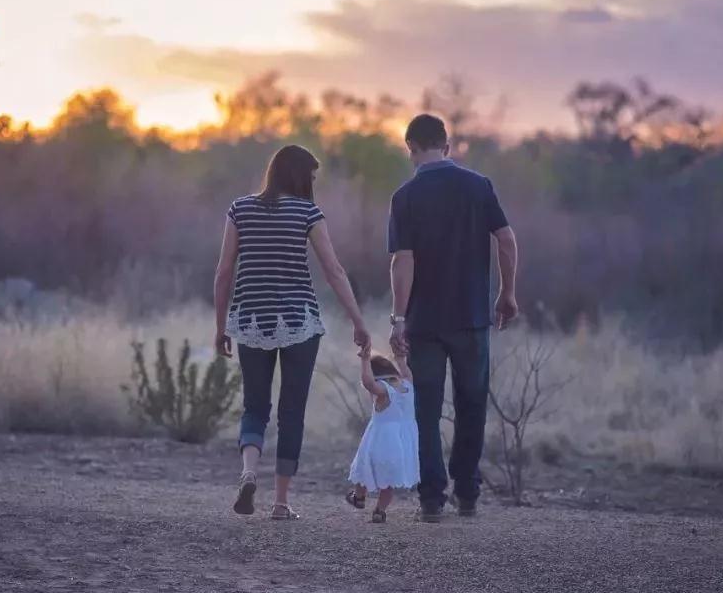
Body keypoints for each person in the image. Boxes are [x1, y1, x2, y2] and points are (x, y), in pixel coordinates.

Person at [213, 144, 370, 520]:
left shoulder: (241, 209)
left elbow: (223, 272)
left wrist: (221, 327)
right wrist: (358, 321)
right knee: (292, 412)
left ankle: (249, 472)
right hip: (299, 322)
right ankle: (281, 503)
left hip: (250, 321)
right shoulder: (308, 212)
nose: (313, 184)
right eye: (312, 177)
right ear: (300, 176)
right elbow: (333, 271)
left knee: (254, 406)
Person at [387, 114, 520, 522]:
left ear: (410, 148)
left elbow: (402, 261)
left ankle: (431, 499)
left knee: (425, 410)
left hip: (425, 322)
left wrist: (398, 319)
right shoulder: (478, 186)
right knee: (472, 404)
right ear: (447, 146)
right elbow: (506, 239)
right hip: (472, 317)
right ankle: (467, 493)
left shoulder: (405, 196)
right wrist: (507, 292)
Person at [345, 348, 420, 523]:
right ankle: (380, 510)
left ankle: (359, 497)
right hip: (402, 443)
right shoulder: (408, 385)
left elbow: (368, 382)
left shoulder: (383, 390)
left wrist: (364, 361)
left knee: (364, 467)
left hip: (380, 440)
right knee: (388, 481)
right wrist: (401, 358)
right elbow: (406, 371)